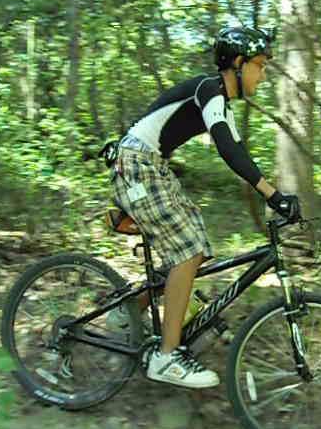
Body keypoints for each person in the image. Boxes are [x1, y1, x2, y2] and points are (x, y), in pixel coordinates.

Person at [108, 26, 300, 388]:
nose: (263, 74)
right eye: (260, 65)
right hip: (136, 164)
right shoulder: (209, 89)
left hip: (149, 166)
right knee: (188, 250)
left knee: (194, 241)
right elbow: (227, 150)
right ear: (238, 64)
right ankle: (166, 358)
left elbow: (239, 152)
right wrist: (273, 195)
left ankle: (131, 311)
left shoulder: (218, 102)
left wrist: (274, 193)